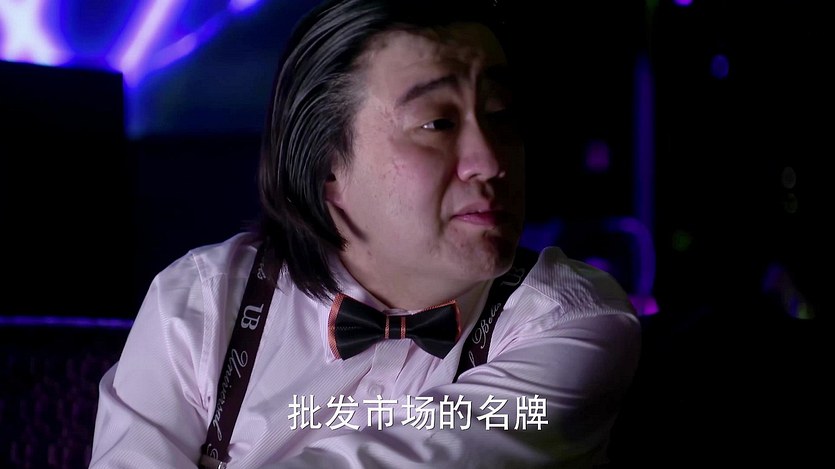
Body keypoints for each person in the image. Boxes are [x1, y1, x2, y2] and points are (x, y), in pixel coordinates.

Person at [89, 0, 641, 467]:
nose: (490, 162)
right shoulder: (201, 305)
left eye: (500, 113)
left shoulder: (568, 321)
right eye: (438, 124)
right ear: (326, 163)